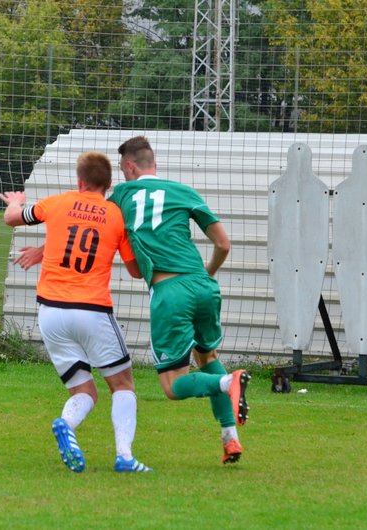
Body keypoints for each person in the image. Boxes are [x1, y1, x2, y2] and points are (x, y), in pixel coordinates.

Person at [0, 151, 152, 474]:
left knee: (84, 389)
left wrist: (16, 201)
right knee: (122, 384)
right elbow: (136, 270)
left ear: (79, 181)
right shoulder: (115, 215)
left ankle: (66, 423)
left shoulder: (57, 203)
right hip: (91, 310)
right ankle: (125, 456)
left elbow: (12, 218)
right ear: (108, 184)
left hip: (50, 312)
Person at [110, 135, 250, 464]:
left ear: (129, 166)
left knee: (173, 386)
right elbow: (224, 244)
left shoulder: (121, 195)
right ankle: (230, 437)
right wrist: (207, 274)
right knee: (207, 355)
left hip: (170, 292)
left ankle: (228, 381)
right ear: (154, 164)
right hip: (203, 285)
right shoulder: (184, 191)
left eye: (122, 169)